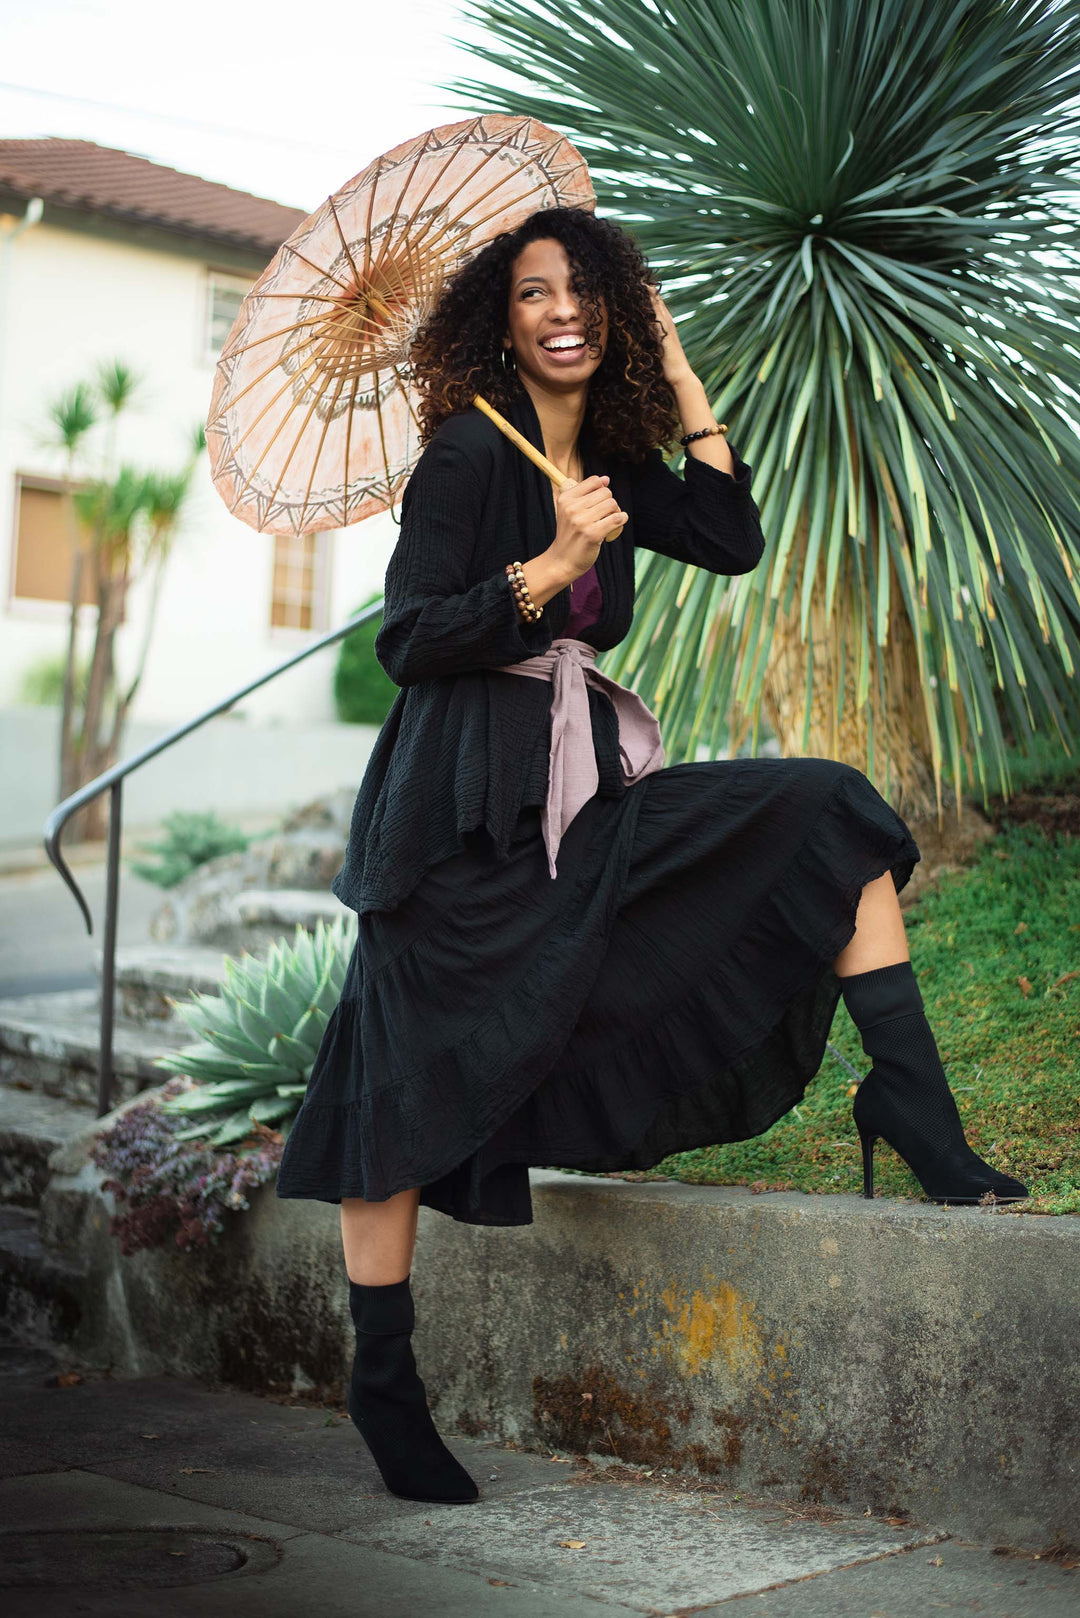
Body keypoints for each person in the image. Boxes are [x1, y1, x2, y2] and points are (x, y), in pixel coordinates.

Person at [276, 206, 1027, 1506]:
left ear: (615, 309)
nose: (561, 310)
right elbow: (407, 639)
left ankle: (914, 1109)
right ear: (498, 319)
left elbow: (733, 538)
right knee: (397, 1084)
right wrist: (550, 563)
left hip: (581, 790)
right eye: (533, 292)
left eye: (588, 291)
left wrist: (677, 376)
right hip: (455, 811)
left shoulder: (615, 445)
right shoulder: (465, 455)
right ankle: (385, 1384)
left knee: (826, 813)